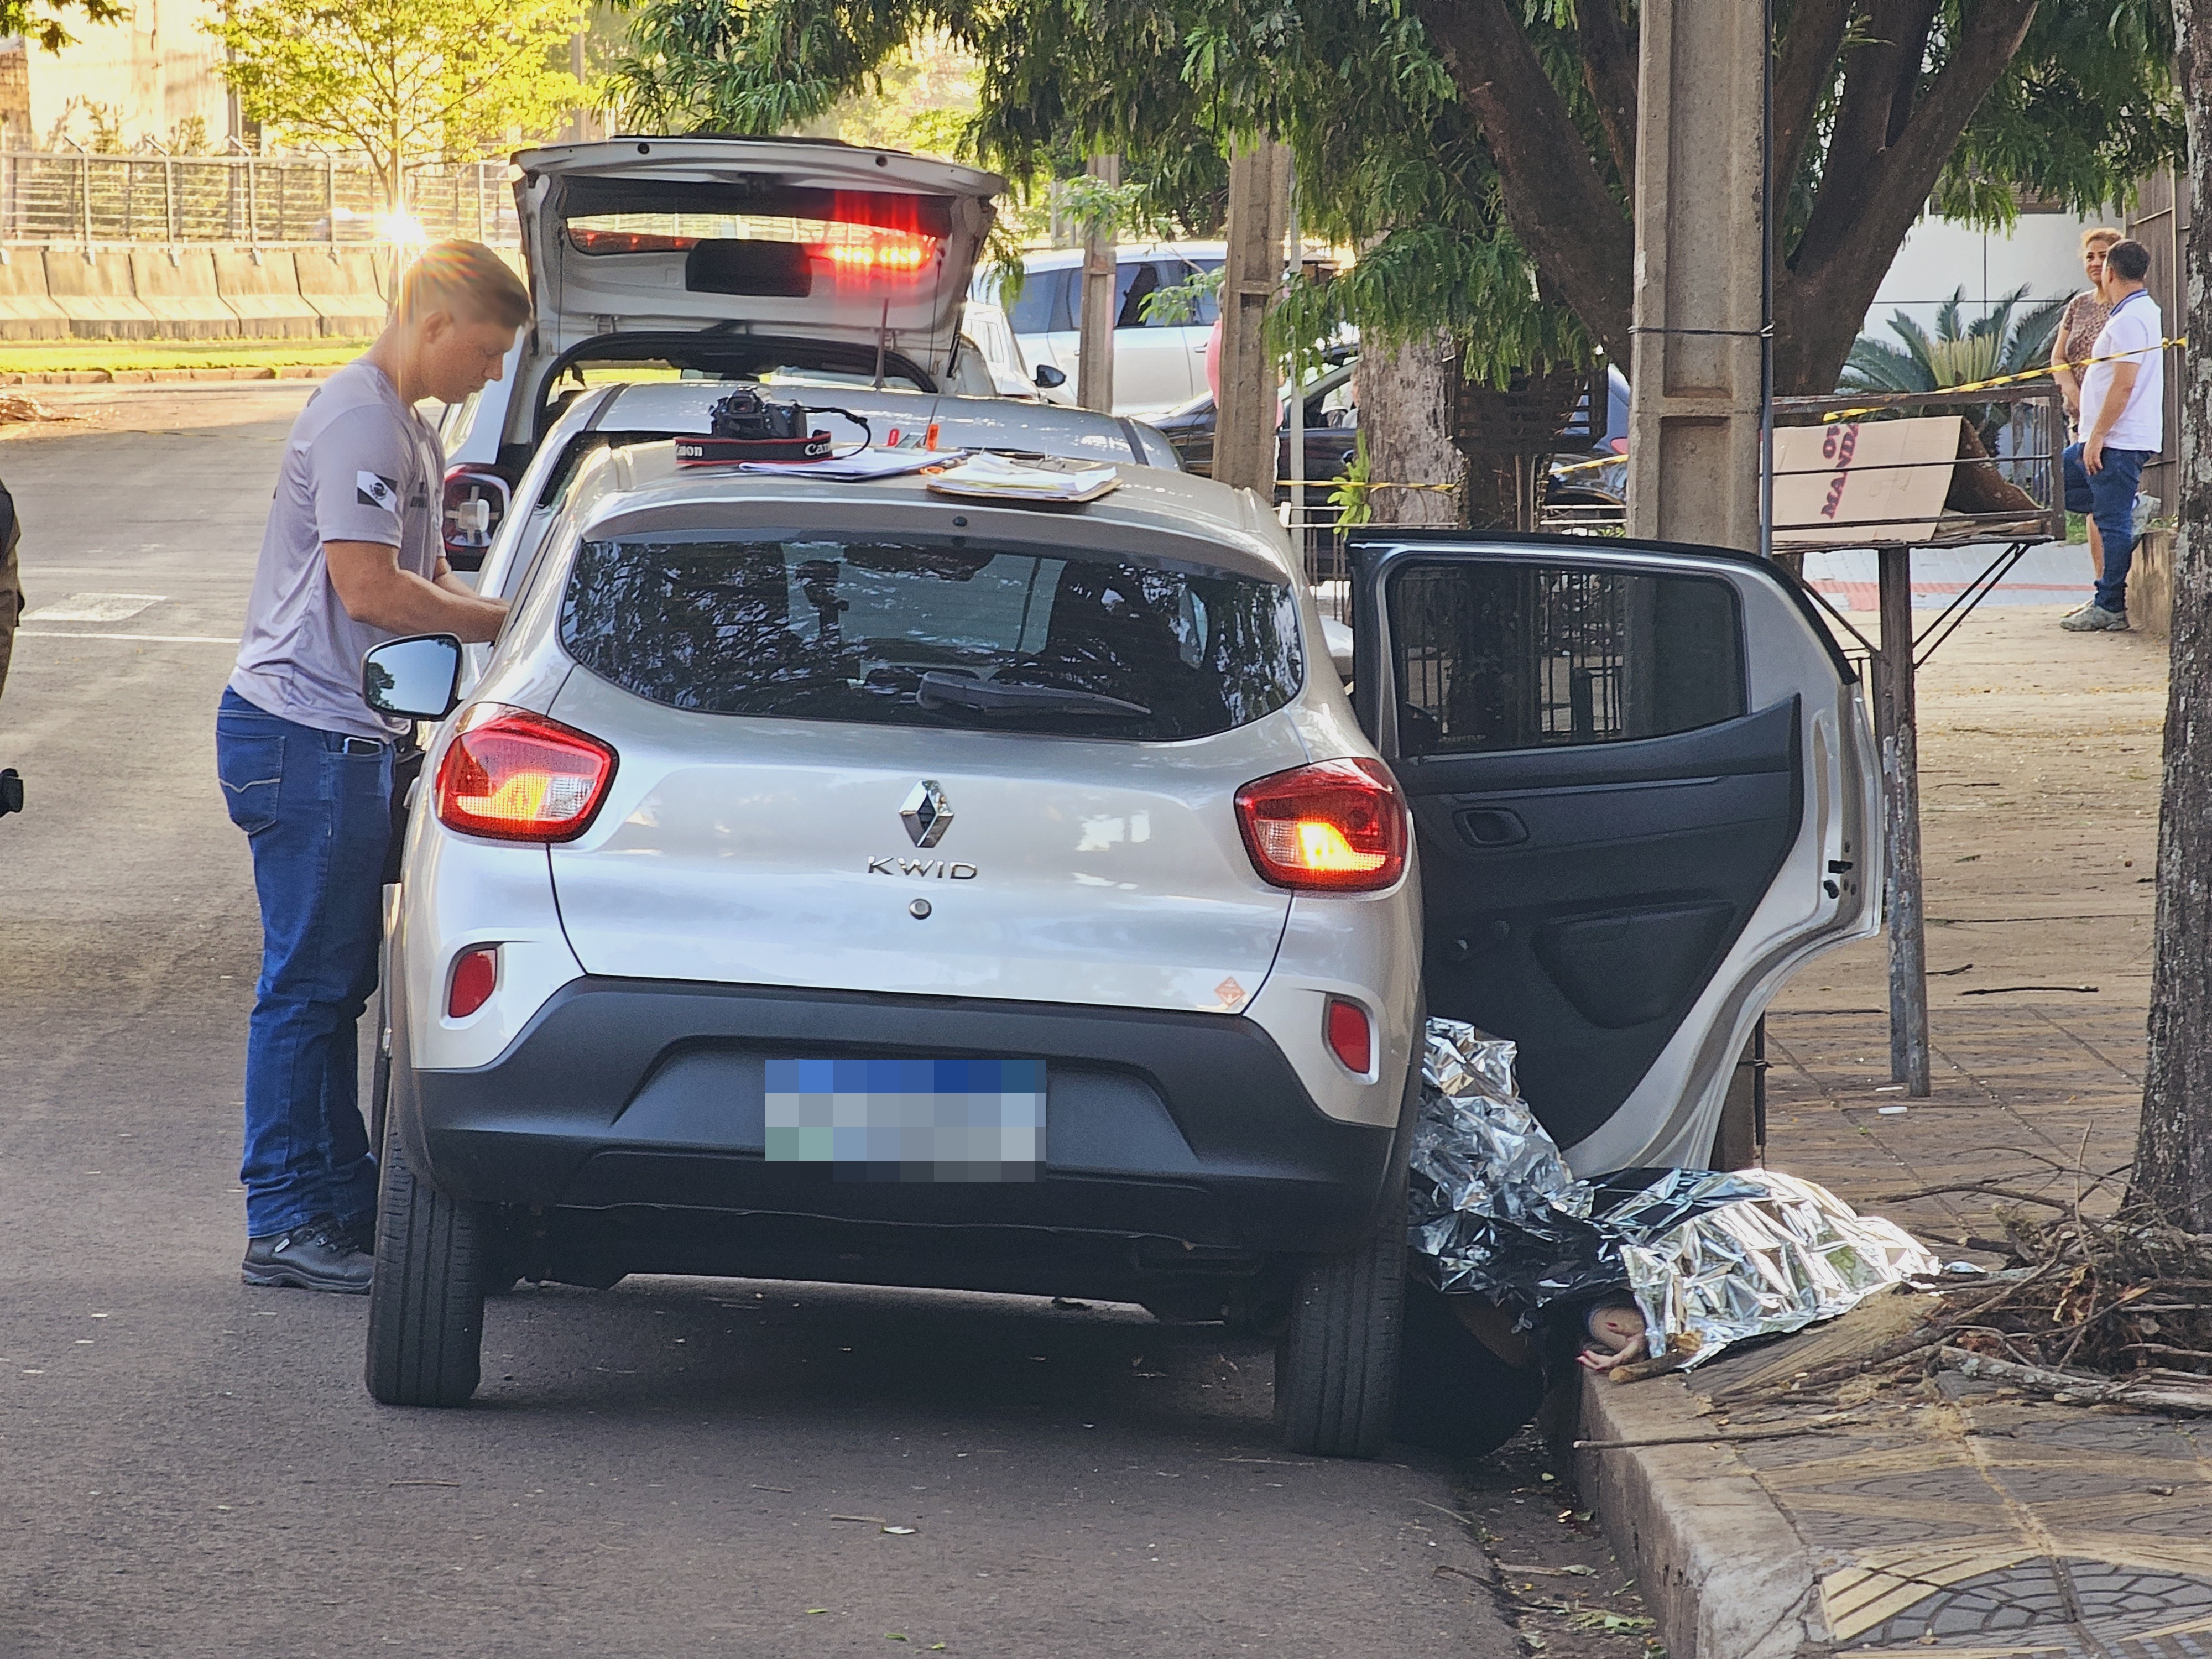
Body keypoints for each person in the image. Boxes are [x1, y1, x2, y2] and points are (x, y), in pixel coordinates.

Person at [216, 241, 525, 1292]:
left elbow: (425, 572)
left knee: (336, 987)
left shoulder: (408, 429)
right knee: (305, 990)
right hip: (305, 735)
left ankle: (339, 1206)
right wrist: (512, 625)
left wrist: (479, 606)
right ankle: (285, 1220)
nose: (489, 375)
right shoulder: (360, 418)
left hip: (341, 735)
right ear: (434, 322)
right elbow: (372, 592)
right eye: (484, 352)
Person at [2059, 238, 2162, 634]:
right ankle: (2132, 504)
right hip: (2105, 436)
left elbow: (2123, 384)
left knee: (2111, 522)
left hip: (2118, 439)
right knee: (2063, 484)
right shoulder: (2135, 313)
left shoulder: (2130, 319)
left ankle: (2110, 605)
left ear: (2111, 273)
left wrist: (2099, 436)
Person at [2050, 227, 2121, 582]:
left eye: (2104, 255)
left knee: (2106, 502)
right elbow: (2059, 357)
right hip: (2079, 419)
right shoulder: (2079, 305)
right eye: (2090, 256)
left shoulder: (2126, 307)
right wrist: (2074, 395)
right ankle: (2100, 582)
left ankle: (2108, 589)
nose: (2096, 263)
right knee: (2089, 501)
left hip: (2112, 419)